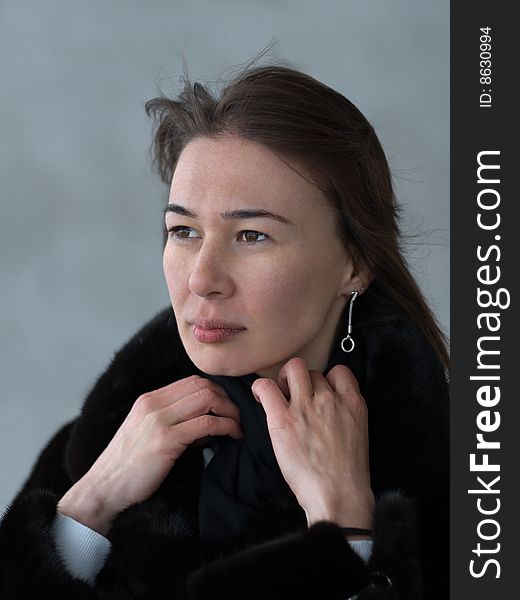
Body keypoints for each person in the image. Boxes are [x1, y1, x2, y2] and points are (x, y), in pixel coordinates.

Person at [0, 62, 449, 599]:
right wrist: (88, 507)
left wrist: (346, 524)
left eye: (252, 235)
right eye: (183, 230)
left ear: (355, 263)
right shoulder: (91, 451)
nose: (201, 278)